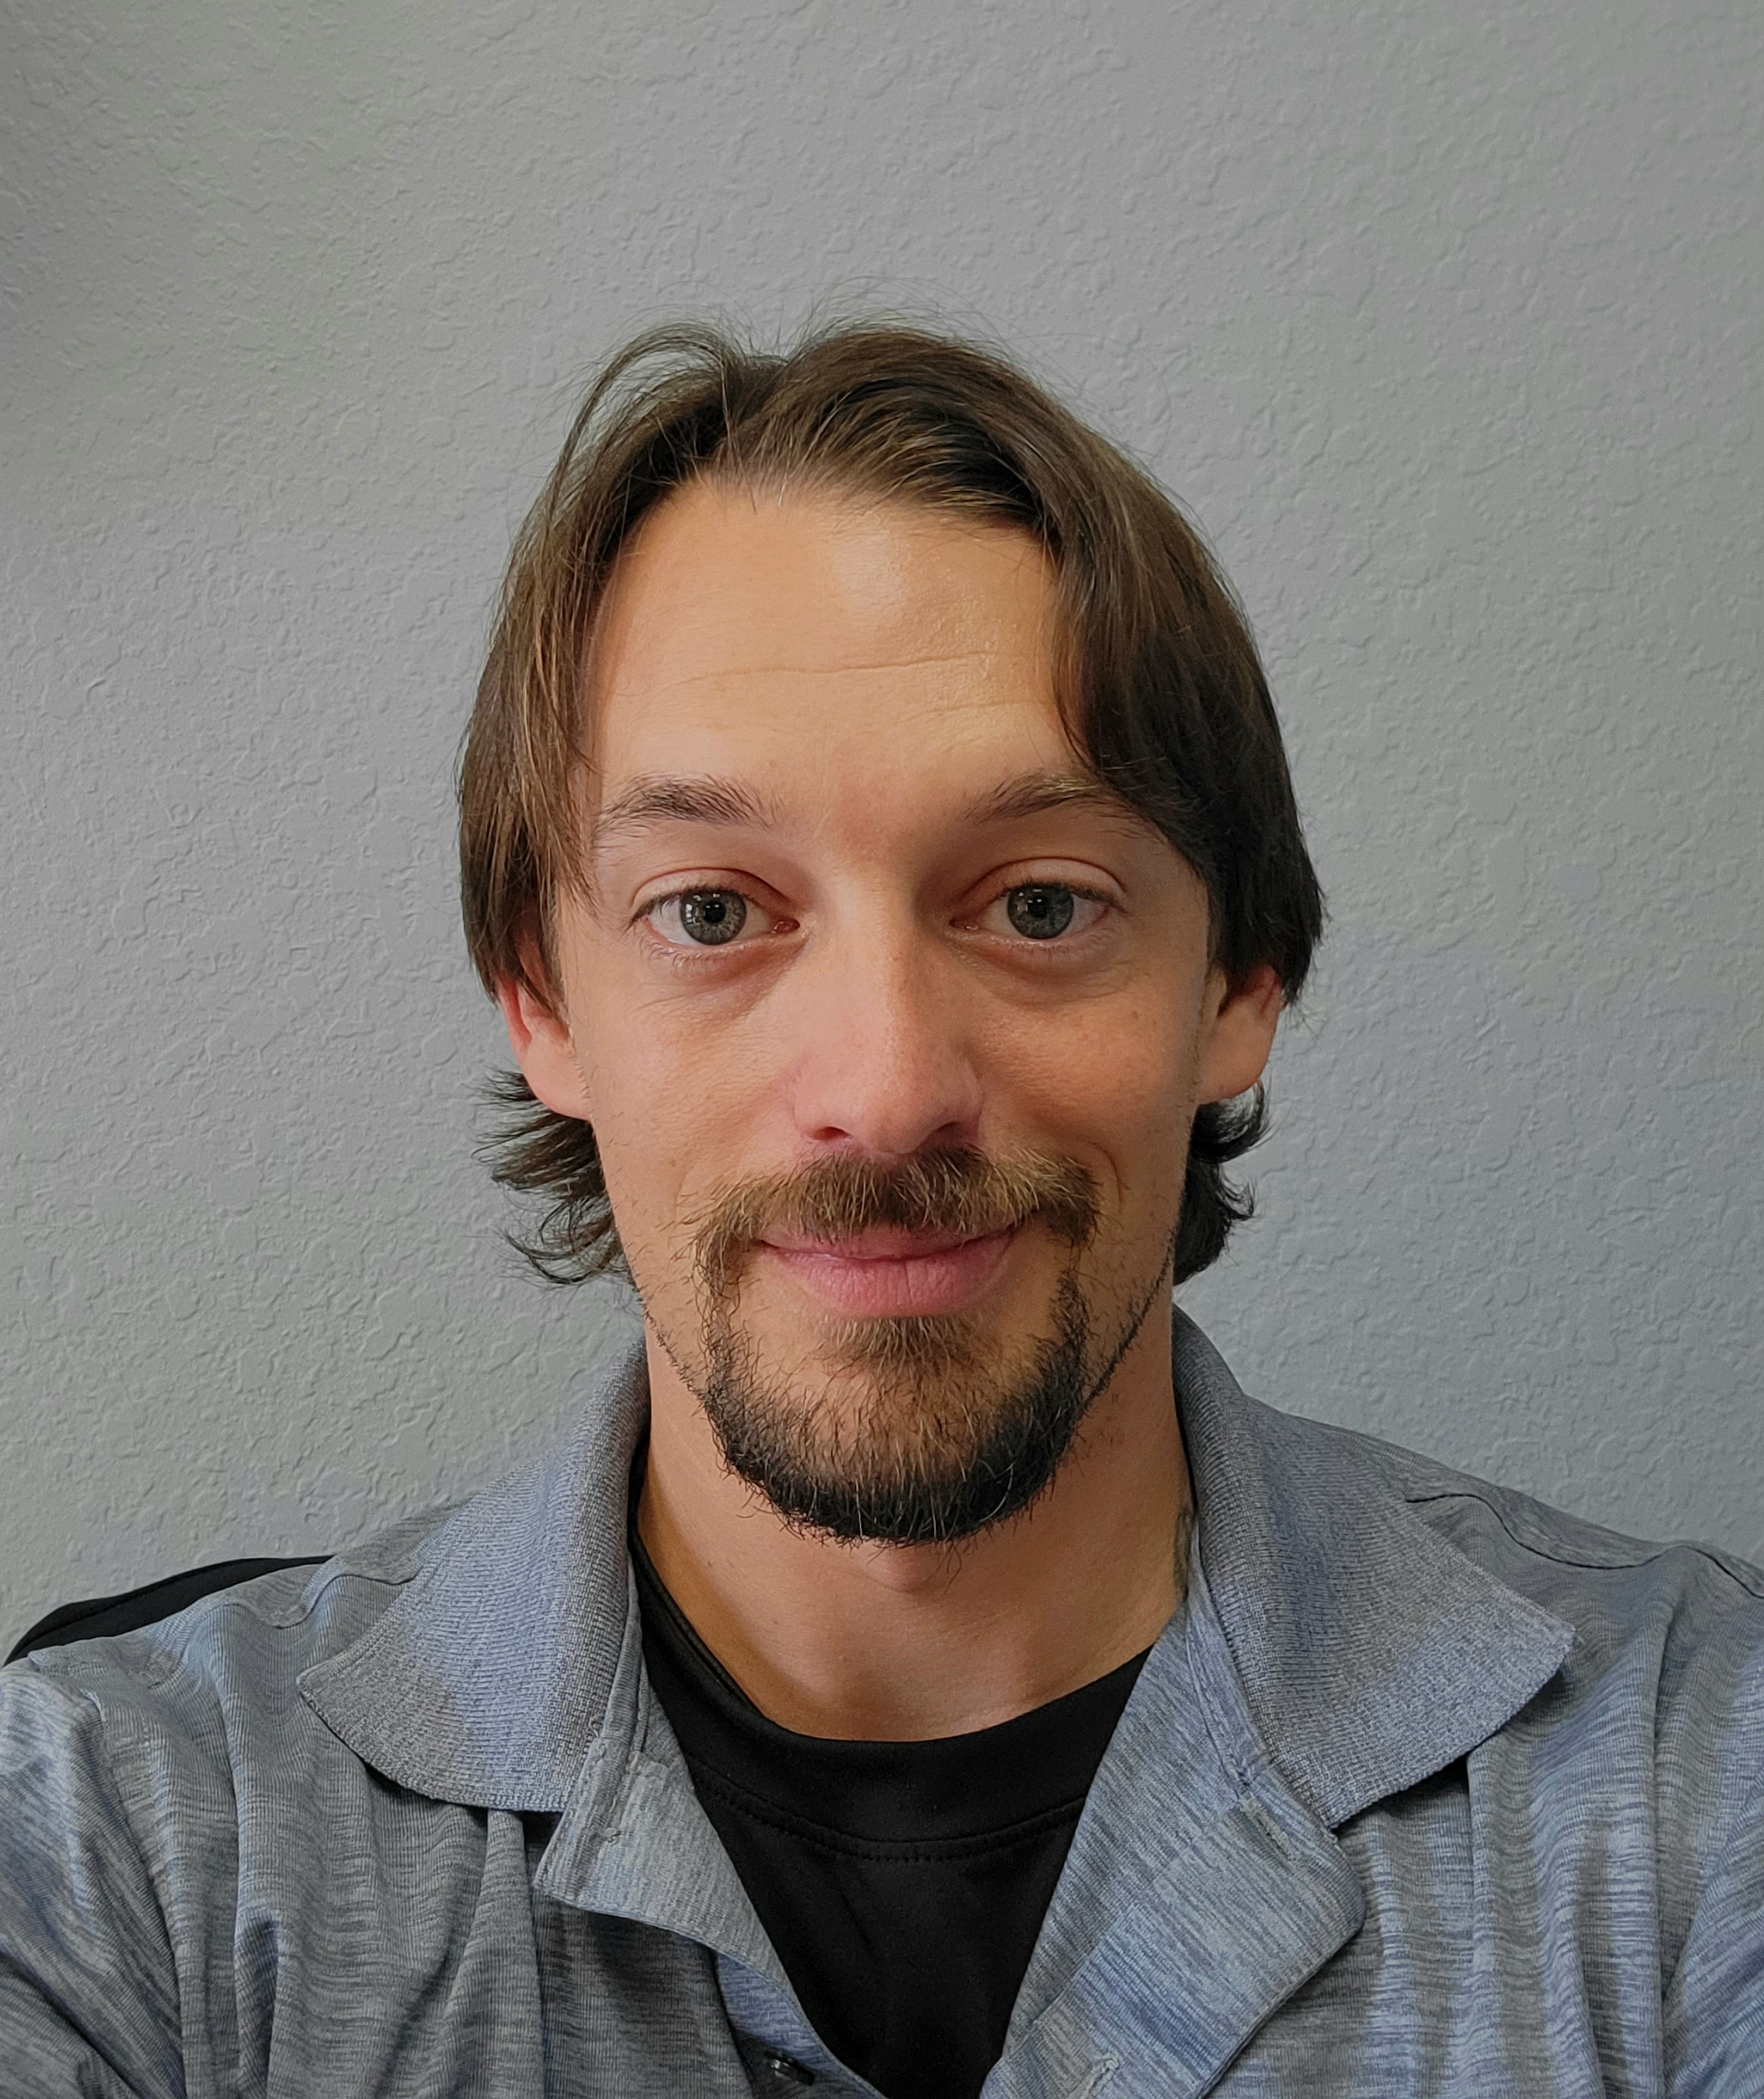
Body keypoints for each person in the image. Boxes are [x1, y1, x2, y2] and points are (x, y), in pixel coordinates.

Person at [2, 321, 1759, 2099]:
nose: (887, 1082)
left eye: (1039, 904)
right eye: (710, 911)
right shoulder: (115, 1838)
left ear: (1239, 977)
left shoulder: (1699, 1771)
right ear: (541, 1003)